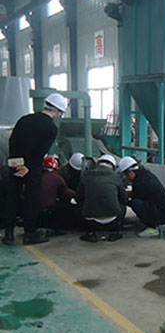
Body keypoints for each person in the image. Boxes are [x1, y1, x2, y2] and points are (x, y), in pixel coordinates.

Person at [3, 93, 67, 246]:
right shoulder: (51, 128)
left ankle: (9, 233)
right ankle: (30, 233)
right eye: (59, 113)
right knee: (31, 198)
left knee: (12, 196)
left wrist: (16, 162)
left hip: (15, 163)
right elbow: (40, 150)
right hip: (31, 167)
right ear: (56, 111)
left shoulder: (25, 119)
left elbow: (12, 140)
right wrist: (27, 167)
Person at [118, 156, 165, 238]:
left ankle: (152, 227)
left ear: (131, 173)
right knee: (137, 202)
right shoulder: (145, 175)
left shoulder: (140, 183)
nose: (126, 178)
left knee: (135, 203)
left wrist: (121, 196)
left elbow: (133, 198)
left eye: (125, 175)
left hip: (162, 215)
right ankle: (150, 222)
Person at [76, 154, 127, 242]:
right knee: (122, 206)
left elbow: (78, 198)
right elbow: (124, 198)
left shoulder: (86, 175)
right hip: (113, 221)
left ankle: (90, 233)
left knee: (80, 206)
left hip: (91, 222)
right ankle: (114, 232)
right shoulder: (116, 177)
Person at [39, 156, 76, 231]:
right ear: (56, 169)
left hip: (32, 212)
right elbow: (65, 196)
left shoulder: (35, 177)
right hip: (48, 213)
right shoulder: (58, 179)